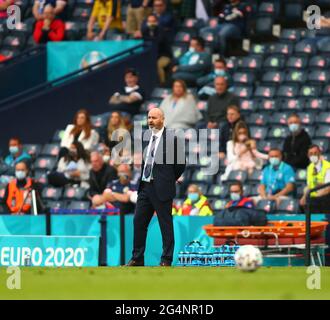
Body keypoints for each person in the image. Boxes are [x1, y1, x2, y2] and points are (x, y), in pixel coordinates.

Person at [126, 108, 186, 267]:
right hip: (145, 187)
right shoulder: (147, 138)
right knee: (139, 222)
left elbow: (181, 164)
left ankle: (166, 259)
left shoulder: (172, 139)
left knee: (165, 224)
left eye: (154, 117)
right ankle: (137, 258)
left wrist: (169, 178)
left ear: (162, 119)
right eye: (149, 117)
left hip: (162, 188)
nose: (150, 120)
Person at [141, 14, 172, 86]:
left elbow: (158, 41)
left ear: (157, 22)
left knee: (158, 64)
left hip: (164, 55)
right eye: (149, 21)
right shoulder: (145, 30)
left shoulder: (161, 30)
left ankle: (162, 83)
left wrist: (148, 38)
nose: (151, 23)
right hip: (151, 55)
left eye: (153, 21)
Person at [300, 145, 330, 211]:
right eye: (311, 153)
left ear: (320, 153)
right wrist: (304, 197)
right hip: (314, 196)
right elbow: (309, 186)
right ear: (308, 155)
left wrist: (313, 197)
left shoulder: (328, 166)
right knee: (301, 203)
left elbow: (327, 188)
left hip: (326, 195)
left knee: (312, 202)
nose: (313, 155)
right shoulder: (309, 167)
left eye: (315, 153)